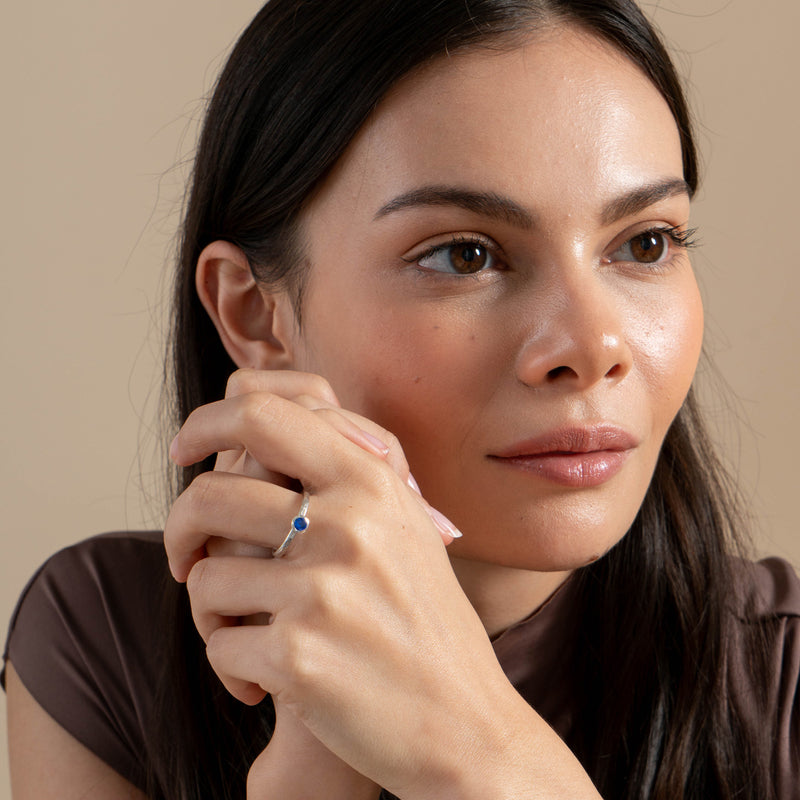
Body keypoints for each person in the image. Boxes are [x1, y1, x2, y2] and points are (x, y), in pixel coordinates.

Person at [3, 0, 799, 798]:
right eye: (464, 255)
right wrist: (316, 763)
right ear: (255, 313)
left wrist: (479, 749)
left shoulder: (784, 684)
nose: (593, 349)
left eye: (645, 244)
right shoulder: (103, 641)